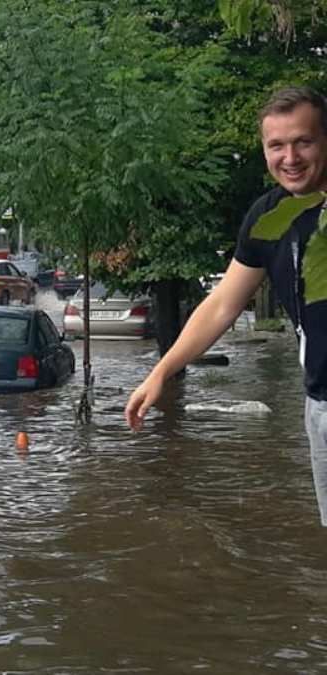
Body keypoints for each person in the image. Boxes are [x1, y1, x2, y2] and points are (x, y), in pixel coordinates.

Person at [125, 85, 327, 524]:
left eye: (303, 142)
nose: (289, 157)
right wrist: (161, 371)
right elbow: (221, 305)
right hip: (321, 404)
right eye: (277, 145)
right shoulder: (267, 217)